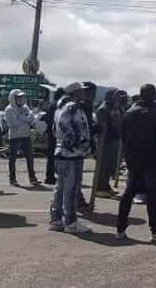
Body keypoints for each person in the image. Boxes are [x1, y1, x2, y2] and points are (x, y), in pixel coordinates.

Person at [117, 84, 156, 242]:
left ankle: (120, 228)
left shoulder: (129, 113)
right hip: (152, 157)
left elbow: (122, 136)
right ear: (154, 96)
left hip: (132, 158)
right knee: (151, 195)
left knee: (129, 192)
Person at [49, 82, 94, 234]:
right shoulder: (71, 107)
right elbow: (64, 126)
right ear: (75, 92)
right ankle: (71, 222)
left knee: (61, 188)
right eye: (82, 91)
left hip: (63, 152)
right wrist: (78, 144)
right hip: (71, 154)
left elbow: (55, 129)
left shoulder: (61, 106)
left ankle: (56, 220)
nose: (84, 93)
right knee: (71, 189)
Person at [94, 89, 126, 198]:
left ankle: (105, 186)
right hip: (105, 141)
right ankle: (99, 188)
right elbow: (103, 126)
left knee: (110, 165)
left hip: (114, 140)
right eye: (116, 96)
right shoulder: (104, 109)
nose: (119, 98)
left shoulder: (115, 108)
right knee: (103, 165)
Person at [4, 89, 40, 186]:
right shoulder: (9, 109)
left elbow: (32, 119)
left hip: (26, 135)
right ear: (13, 98)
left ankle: (32, 178)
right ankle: (12, 179)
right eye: (18, 97)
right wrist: (25, 119)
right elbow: (13, 124)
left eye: (22, 97)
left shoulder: (25, 107)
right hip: (15, 137)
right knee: (13, 159)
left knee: (30, 158)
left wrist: (20, 117)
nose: (21, 99)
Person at [40, 88, 65, 185]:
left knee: (51, 156)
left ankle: (50, 176)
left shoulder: (53, 105)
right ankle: (50, 176)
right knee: (53, 156)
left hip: (51, 132)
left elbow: (47, 118)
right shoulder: (57, 106)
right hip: (55, 133)